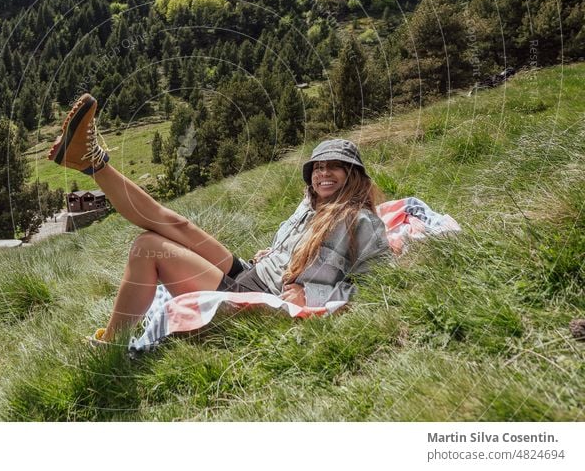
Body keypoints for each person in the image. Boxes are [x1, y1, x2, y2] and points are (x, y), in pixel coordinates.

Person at [47, 93, 391, 342]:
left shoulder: (361, 222)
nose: (323, 175)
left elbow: (375, 283)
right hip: (251, 273)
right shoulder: (311, 204)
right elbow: (293, 249)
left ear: (354, 175)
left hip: (263, 299)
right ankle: (89, 160)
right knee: (175, 224)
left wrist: (310, 298)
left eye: (334, 168)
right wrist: (271, 255)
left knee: (148, 246)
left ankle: (110, 343)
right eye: (317, 168)